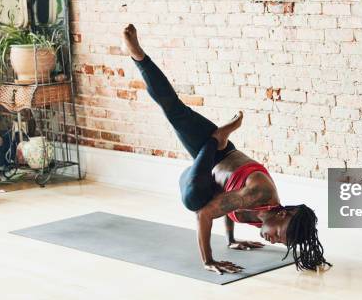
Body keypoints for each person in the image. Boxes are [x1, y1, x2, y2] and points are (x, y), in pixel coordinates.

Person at [122, 24, 331, 275]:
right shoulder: (260, 195)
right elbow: (205, 214)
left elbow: (229, 205)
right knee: (175, 118)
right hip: (215, 155)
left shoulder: (266, 216)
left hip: (207, 171)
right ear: (283, 214)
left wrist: (231, 240)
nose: (273, 240)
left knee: (198, 194)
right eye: (279, 235)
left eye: (279, 242)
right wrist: (208, 260)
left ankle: (216, 140)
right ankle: (138, 55)